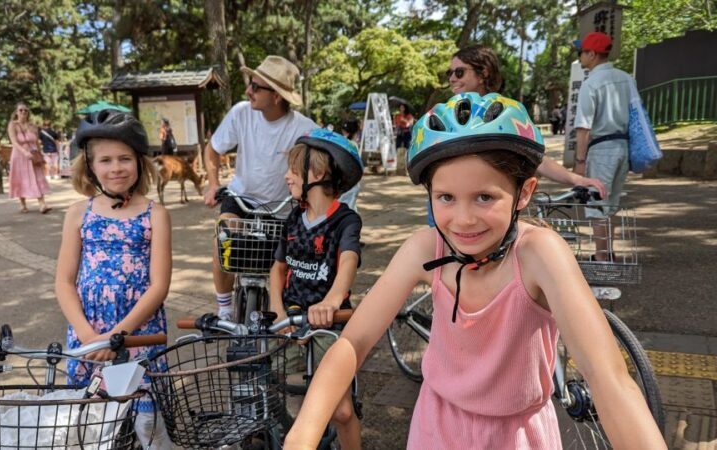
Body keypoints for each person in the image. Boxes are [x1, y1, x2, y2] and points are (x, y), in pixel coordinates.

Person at [283, 93, 666, 450]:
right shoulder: (425, 247)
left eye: (484, 197)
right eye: (445, 198)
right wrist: (302, 434)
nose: (463, 220)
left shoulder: (538, 254)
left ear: (524, 192)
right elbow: (353, 342)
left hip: (517, 435)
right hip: (436, 425)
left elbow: (609, 378)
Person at [55, 109, 173, 449]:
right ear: (91, 166)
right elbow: (64, 281)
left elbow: (159, 286)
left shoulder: (156, 214)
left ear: (139, 162)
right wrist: (90, 336)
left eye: (125, 158)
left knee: (148, 423)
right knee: (89, 423)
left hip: (139, 334)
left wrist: (118, 336)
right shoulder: (79, 214)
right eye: (105, 160)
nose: (116, 168)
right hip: (89, 335)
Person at [269, 129, 364, 449]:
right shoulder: (294, 217)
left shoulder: (345, 221)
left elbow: (349, 259)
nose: (287, 177)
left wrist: (333, 300)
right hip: (292, 319)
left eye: (294, 171)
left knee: (341, 410)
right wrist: (278, 311)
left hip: (328, 323)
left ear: (319, 174)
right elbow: (278, 268)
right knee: (286, 386)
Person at [203, 55, 317, 320]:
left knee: (288, 260)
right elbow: (213, 150)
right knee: (223, 240)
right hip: (241, 198)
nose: (248, 91)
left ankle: (285, 309)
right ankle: (224, 308)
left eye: (256, 86)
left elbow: (323, 163)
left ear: (277, 95)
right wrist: (212, 185)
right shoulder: (241, 113)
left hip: (281, 206)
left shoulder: (303, 128)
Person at [447, 45, 606, 196]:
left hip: (486, 206)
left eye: (459, 72)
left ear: (483, 73)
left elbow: (536, 158)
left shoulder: (506, 111)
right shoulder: (446, 114)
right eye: (450, 73)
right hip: (446, 203)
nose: (452, 78)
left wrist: (576, 179)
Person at [573, 32, 633, 262]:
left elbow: (583, 127)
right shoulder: (626, 78)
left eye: (582, 52)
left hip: (601, 148)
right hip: (623, 146)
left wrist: (579, 163)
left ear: (592, 54)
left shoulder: (592, 83)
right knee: (612, 203)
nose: (580, 56)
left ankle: (600, 257)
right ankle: (608, 251)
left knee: (597, 204)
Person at [7, 103, 51, 213]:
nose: (23, 112)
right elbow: (14, 142)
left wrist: (40, 155)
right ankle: (23, 204)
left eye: (25, 110)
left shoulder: (33, 126)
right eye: (21, 110)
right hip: (19, 156)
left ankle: (42, 204)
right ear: (16, 112)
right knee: (21, 178)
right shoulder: (13, 125)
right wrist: (24, 152)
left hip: (33, 154)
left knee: (38, 177)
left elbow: (36, 142)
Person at [338, 117, 362, 212]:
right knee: (349, 206)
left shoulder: (340, 143)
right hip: (351, 180)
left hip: (341, 179)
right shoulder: (353, 145)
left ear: (344, 131)